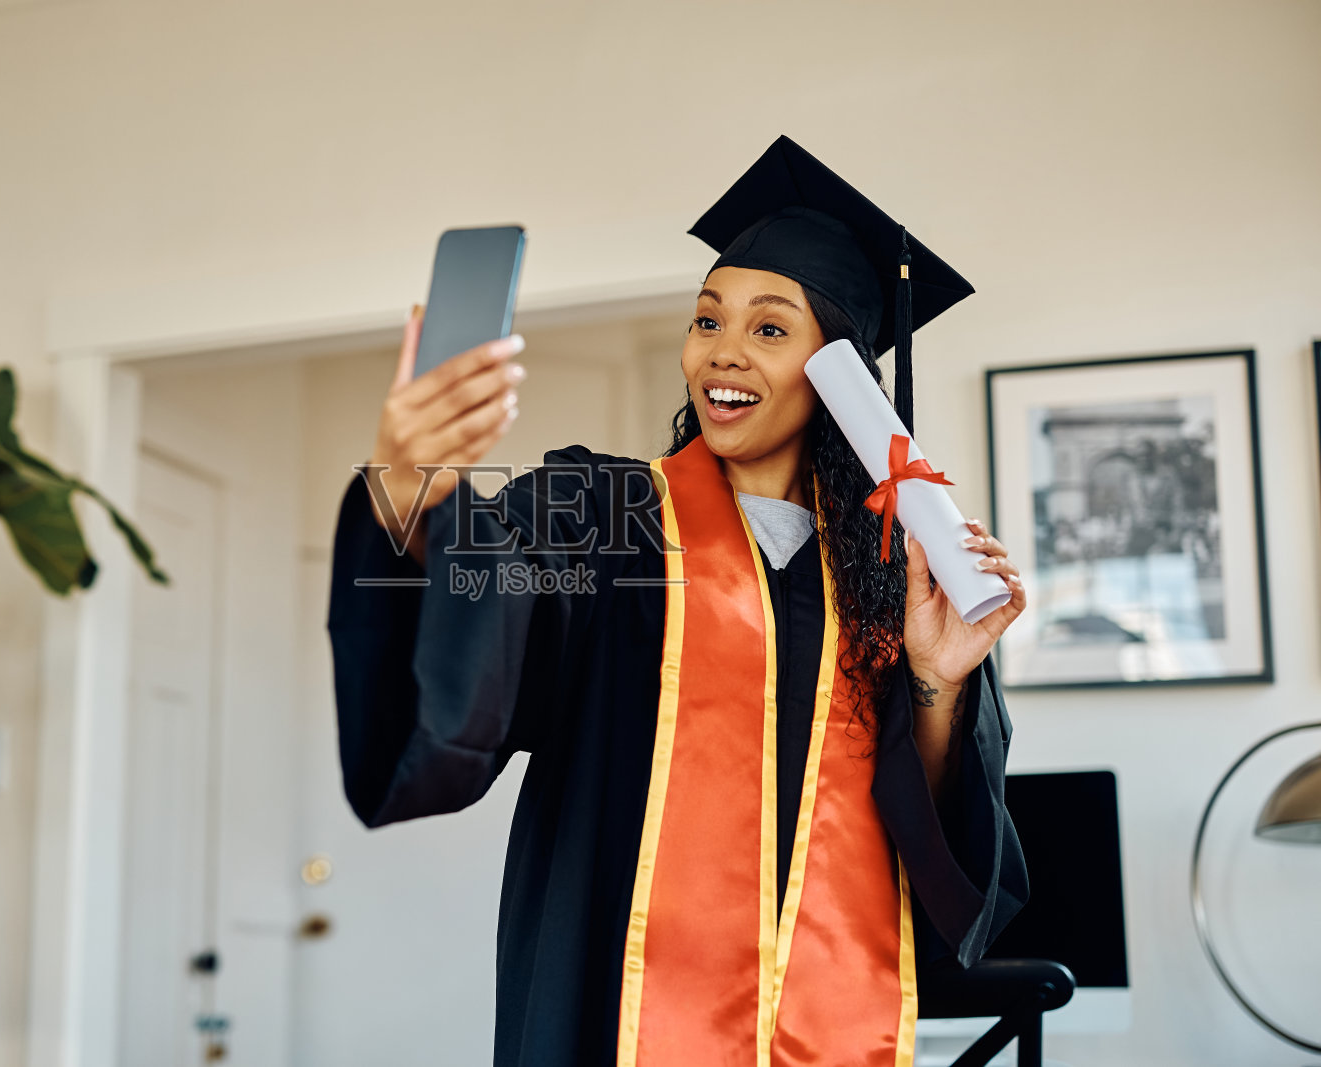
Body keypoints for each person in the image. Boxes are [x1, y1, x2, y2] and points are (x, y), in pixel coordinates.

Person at [327, 135, 1030, 1067]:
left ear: (841, 372)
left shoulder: (890, 579)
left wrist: (936, 680)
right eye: (707, 320)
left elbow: (942, 873)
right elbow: (488, 582)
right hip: (613, 1022)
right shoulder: (603, 512)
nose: (721, 353)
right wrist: (410, 484)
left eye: (769, 329)